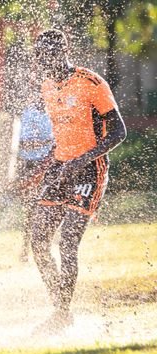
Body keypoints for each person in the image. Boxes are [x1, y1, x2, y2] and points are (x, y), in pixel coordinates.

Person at [31, 29, 126, 332]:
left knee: (68, 242)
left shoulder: (91, 82)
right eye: (42, 53)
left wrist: (81, 160)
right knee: (38, 241)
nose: (48, 57)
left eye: (53, 51)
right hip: (61, 168)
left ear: (64, 50)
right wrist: (50, 162)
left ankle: (61, 312)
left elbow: (119, 132)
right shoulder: (46, 87)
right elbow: (63, 135)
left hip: (89, 168)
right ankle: (58, 306)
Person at [15, 88, 53, 262]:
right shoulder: (27, 114)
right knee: (30, 209)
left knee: (47, 207)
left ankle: (46, 244)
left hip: (47, 164)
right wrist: (44, 142)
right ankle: (25, 248)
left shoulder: (53, 113)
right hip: (29, 164)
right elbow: (23, 142)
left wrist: (41, 143)